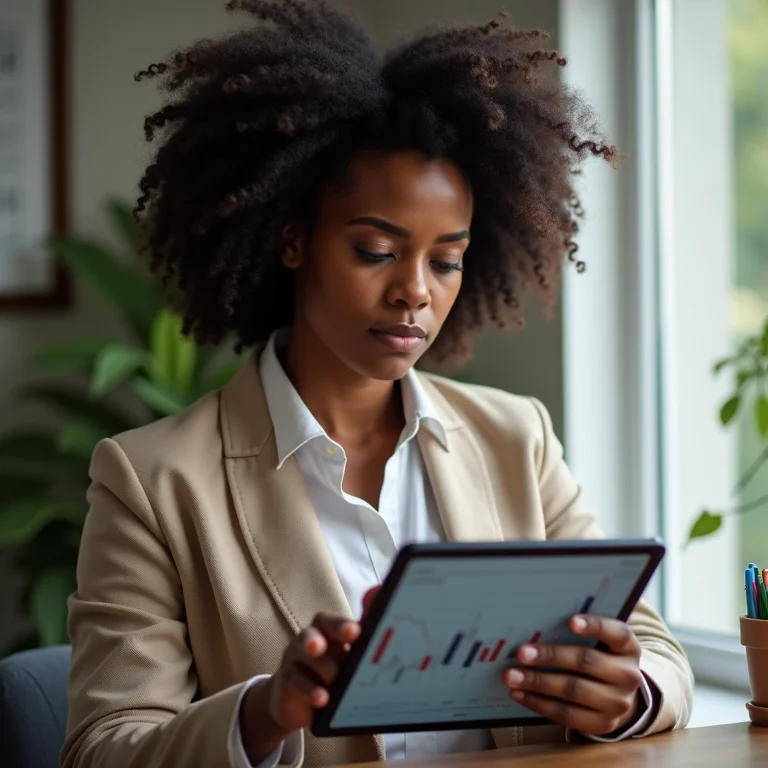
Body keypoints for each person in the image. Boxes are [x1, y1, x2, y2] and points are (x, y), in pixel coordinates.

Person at [61, 2, 694, 767]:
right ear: (293, 241)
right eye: (375, 250)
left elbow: (654, 649)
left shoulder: (514, 437)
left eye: (446, 260)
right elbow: (103, 750)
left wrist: (630, 695)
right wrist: (264, 713)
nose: (415, 292)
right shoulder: (154, 481)